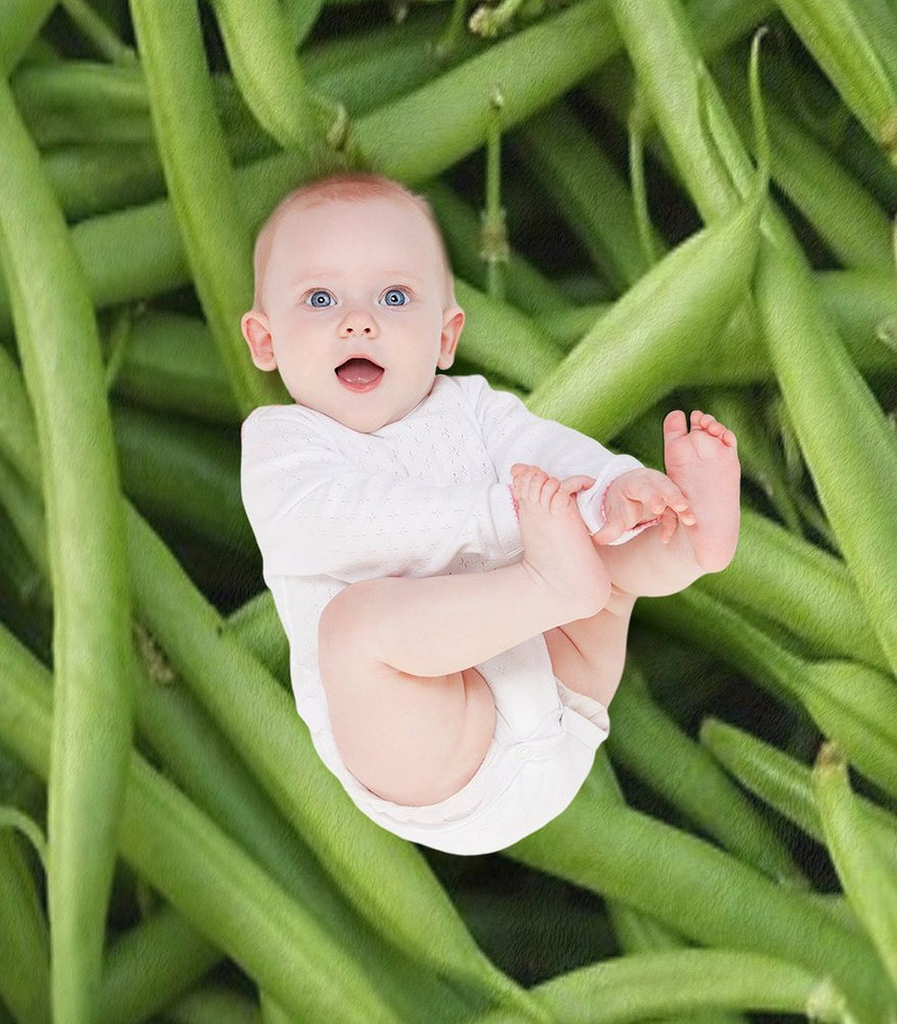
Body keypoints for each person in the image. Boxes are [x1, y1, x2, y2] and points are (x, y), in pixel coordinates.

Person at [239, 172, 740, 855]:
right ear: (265, 341)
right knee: (352, 630)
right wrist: (505, 516)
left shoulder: (473, 408)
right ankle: (556, 583)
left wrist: (613, 489)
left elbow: (546, 452)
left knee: (606, 558)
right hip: (440, 751)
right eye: (320, 298)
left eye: (394, 296)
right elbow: (344, 525)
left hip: (563, 687)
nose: (359, 320)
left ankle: (683, 543)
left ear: (445, 339)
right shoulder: (282, 444)